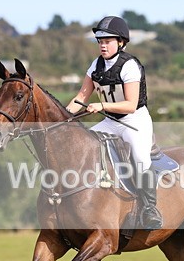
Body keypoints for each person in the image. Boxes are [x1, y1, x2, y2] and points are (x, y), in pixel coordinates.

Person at [66, 15, 163, 230]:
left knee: (139, 157)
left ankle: (150, 209)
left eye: (108, 41)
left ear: (121, 42)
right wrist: (63, 117)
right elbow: (81, 96)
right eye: (100, 41)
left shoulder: (129, 66)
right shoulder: (95, 65)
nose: (102, 45)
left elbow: (130, 105)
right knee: (83, 146)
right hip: (110, 122)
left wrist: (101, 106)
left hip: (134, 120)